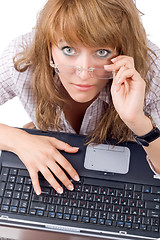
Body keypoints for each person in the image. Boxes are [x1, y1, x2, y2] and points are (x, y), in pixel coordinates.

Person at [0, 0, 160, 196]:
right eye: (68, 50)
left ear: (122, 49)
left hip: (117, 181)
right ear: (48, 46)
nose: (84, 74)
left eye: (102, 52)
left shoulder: (151, 70)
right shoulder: (23, 57)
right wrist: (18, 140)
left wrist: (138, 122)